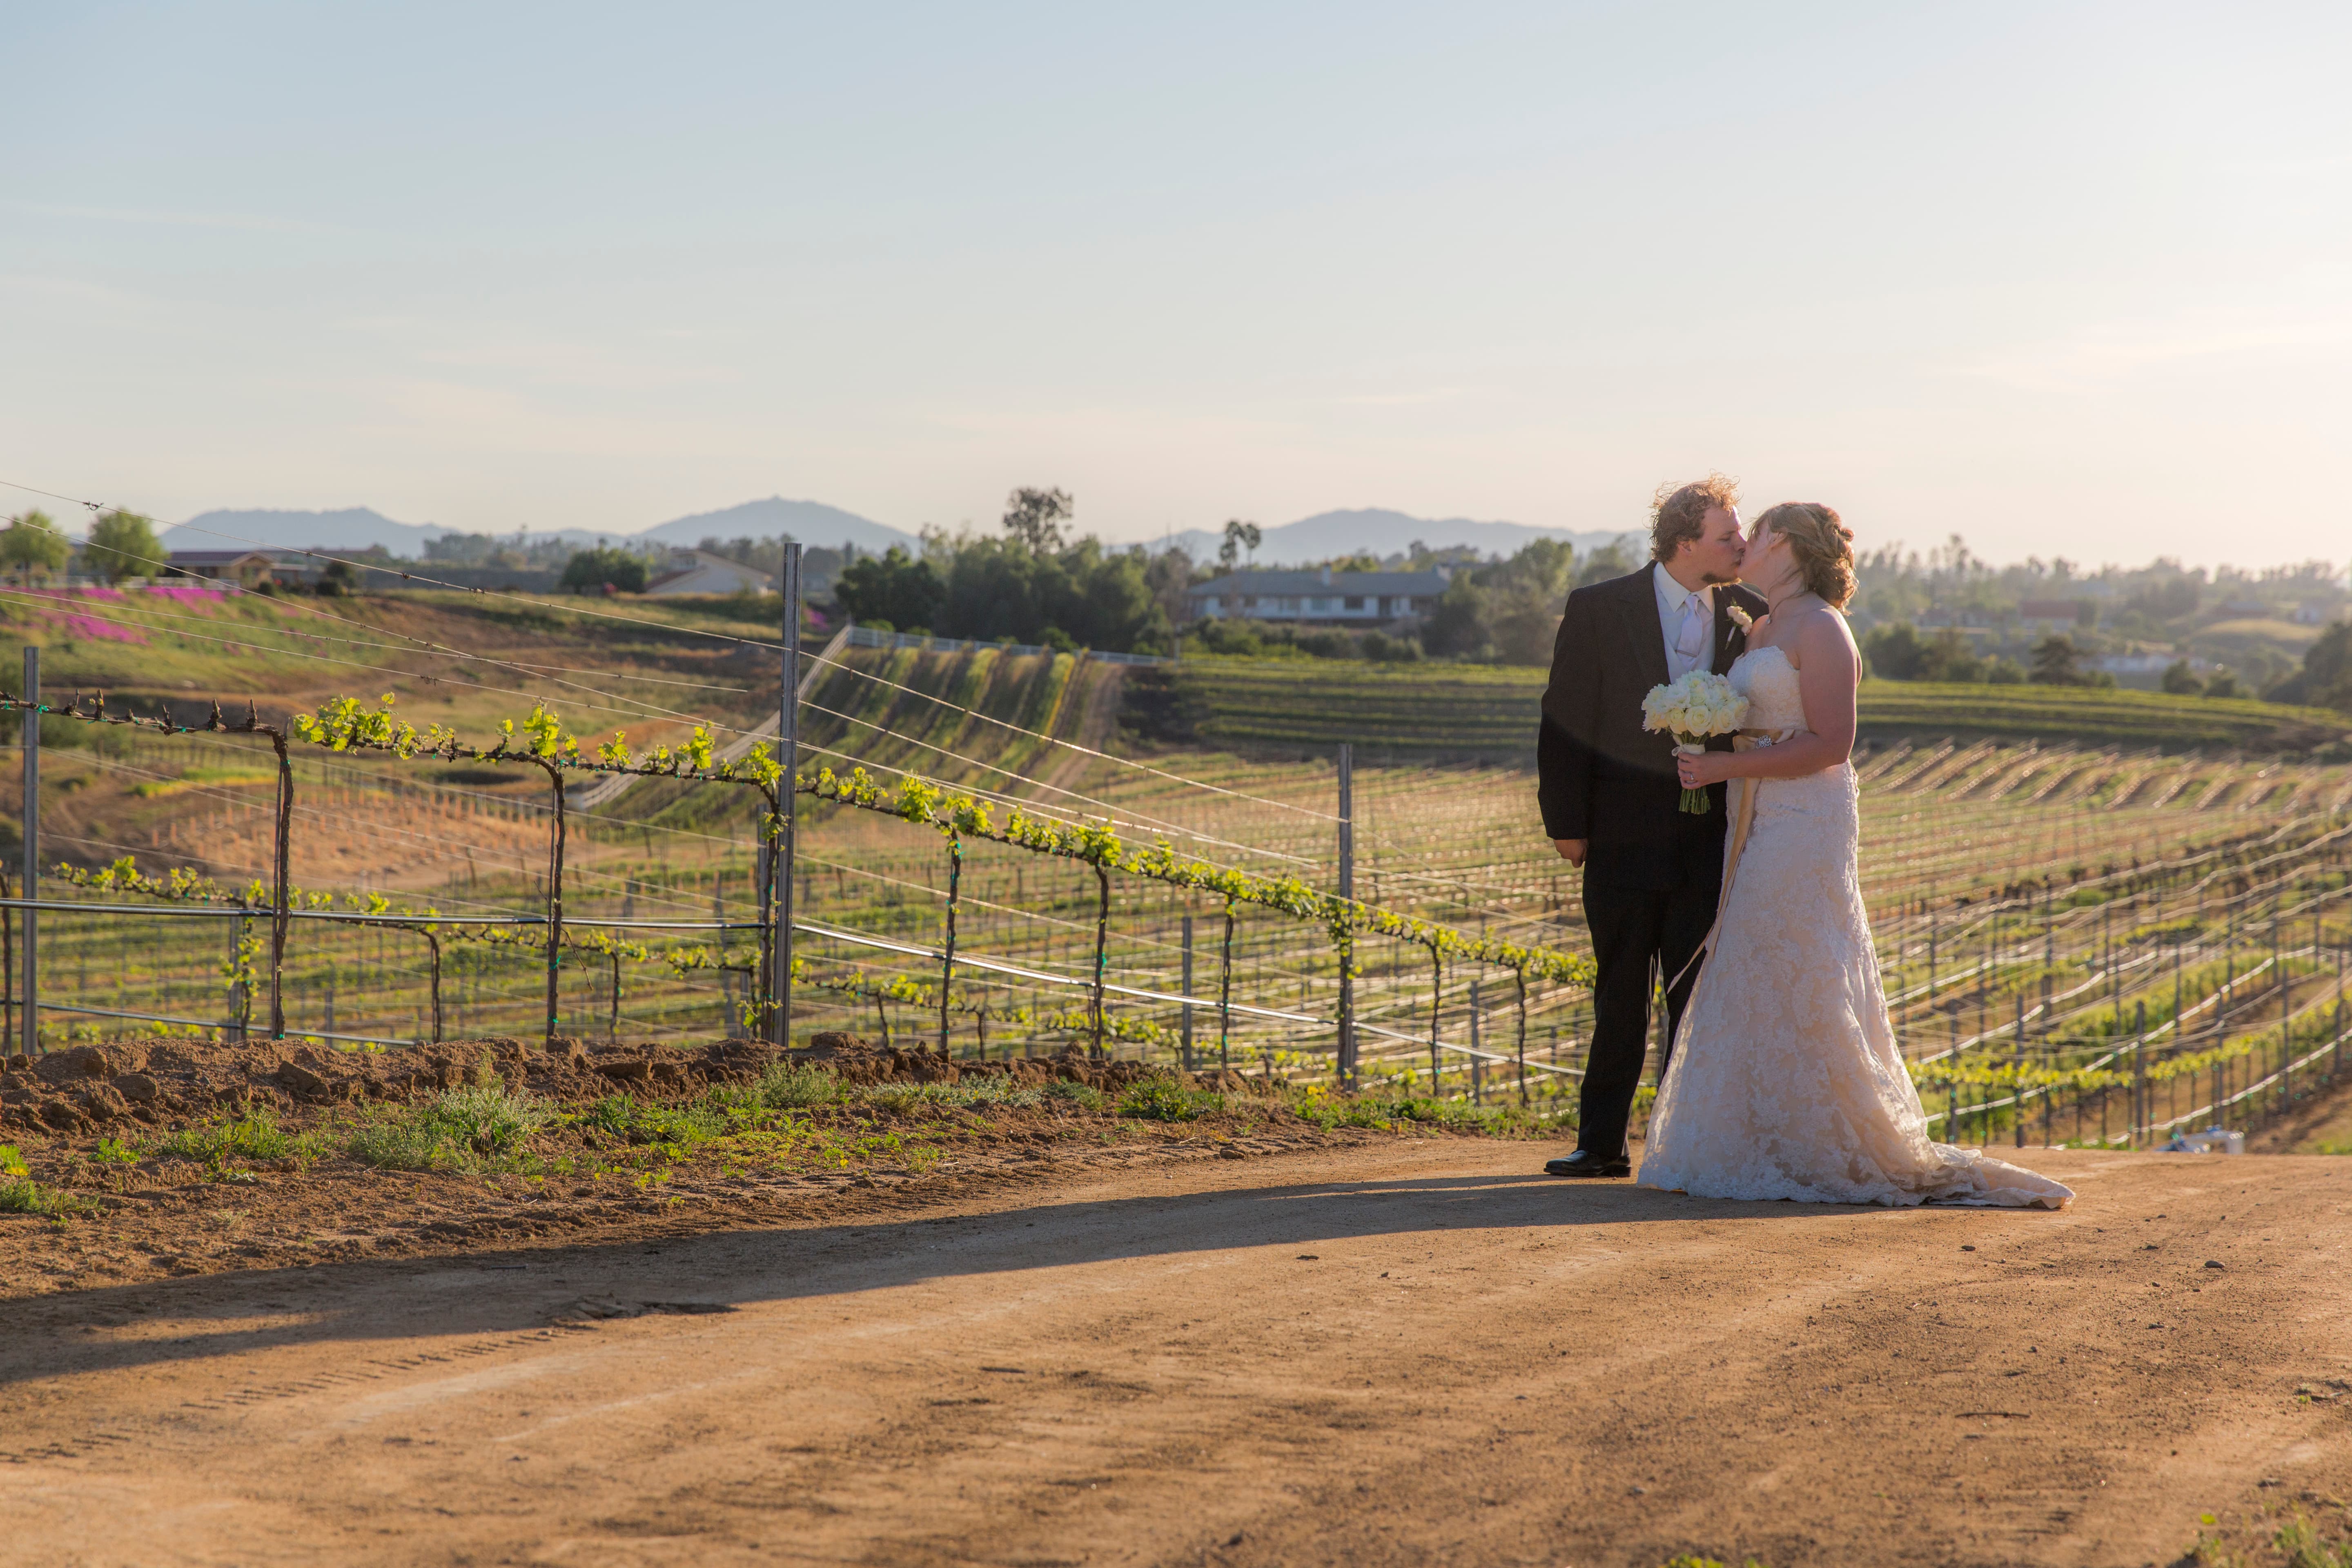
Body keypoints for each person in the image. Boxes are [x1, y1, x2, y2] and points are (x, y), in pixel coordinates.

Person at [1639, 502, 2071, 1207]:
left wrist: (1723, 771)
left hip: (1808, 821)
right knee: (1754, 954)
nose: (1746, 543)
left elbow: (1832, 746)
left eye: (1761, 533)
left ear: (1790, 548)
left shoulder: (1823, 628)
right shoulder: (1763, 626)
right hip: (1755, 818)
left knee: (1804, 955)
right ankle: (1762, 1136)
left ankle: (1836, 1137)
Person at [1536, 476, 1767, 1178]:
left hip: (1708, 839)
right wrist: (1567, 824)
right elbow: (1564, 717)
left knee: (1693, 995)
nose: (1743, 546)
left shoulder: (1752, 613)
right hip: (1618, 835)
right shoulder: (1599, 608)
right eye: (1730, 536)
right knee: (1620, 992)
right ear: (1685, 540)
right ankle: (1601, 1143)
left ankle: (1678, 1147)